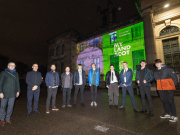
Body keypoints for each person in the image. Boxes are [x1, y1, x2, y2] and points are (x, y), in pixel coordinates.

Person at [0, 62, 20, 126]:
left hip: (13, 93)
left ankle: (8, 118)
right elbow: (0, 83)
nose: (12, 66)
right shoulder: (3, 73)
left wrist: (18, 91)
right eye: (11, 65)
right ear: (8, 66)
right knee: (3, 106)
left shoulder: (16, 73)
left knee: (11, 106)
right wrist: (0, 92)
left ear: (15, 66)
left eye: (13, 65)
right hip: (4, 93)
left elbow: (17, 83)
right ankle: (2, 119)